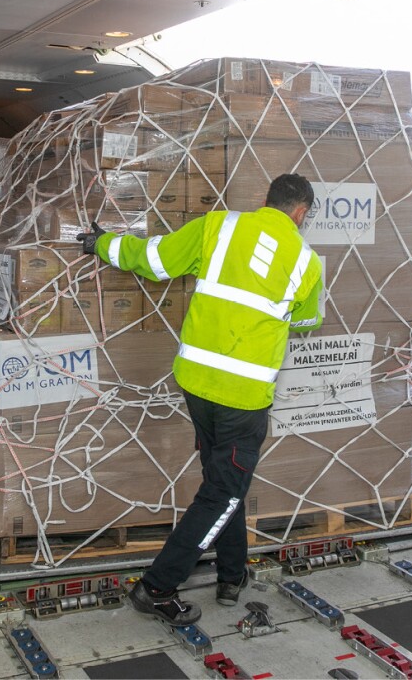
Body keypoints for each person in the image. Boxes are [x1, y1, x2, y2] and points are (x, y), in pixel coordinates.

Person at [77, 172, 322, 626]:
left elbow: (155, 259)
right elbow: (307, 320)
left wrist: (103, 244)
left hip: (194, 382)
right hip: (242, 398)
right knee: (224, 494)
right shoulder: (307, 261)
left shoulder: (219, 227)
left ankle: (232, 576)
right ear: (301, 213)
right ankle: (157, 587)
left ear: (263, 200)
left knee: (224, 480)